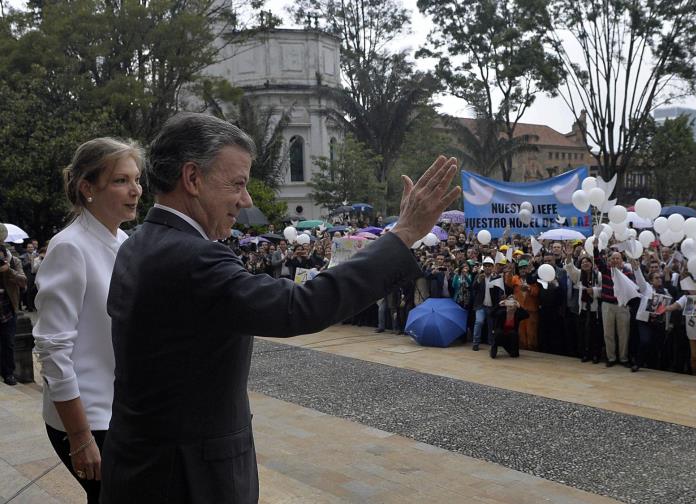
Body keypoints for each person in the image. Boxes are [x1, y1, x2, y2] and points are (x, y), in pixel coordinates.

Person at [100, 113, 460, 503]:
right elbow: (300, 307)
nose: (246, 199)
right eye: (237, 183)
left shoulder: (137, 243)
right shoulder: (194, 258)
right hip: (187, 479)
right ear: (192, 178)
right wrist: (404, 234)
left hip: (141, 465)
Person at [32, 137, 144, 503]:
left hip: (120, 412)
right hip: (87, 417)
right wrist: (79, 437)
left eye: (137, 179)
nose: (136, 190)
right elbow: (53, 350)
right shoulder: (70, 246)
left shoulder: (123, 240)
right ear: (87, 188)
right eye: (121, 181)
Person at [0, 245, 27, 385]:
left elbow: (23, 281)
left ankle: (8, 373)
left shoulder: (13, 261)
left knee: (8, 343)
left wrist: (8, 270)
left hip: (8, 309)